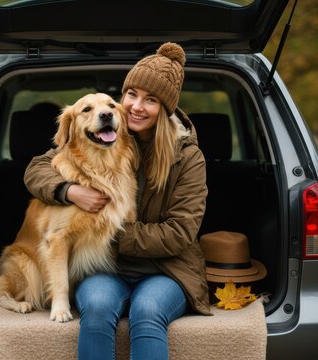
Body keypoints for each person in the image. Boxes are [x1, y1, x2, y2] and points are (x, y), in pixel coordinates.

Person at [24, 42, 211, 360]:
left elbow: (180, 232)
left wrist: (105, 233)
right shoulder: (108, 137)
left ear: (164, 108)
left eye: (151, 99)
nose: (137, 106)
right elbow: (38, 167)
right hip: (106, 270)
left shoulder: (188, 158)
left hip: (165, 269)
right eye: (131, 95)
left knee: (147, 311)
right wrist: (68, 191)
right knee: (96, 308)